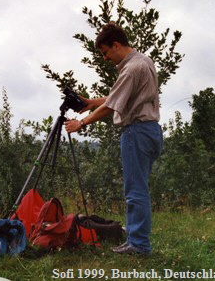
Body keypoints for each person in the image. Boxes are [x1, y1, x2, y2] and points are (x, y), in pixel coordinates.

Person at [65, 22, 164, 255]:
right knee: (138, 189)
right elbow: (116, 96)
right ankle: (135, 240)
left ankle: (138, 245)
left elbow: (112, 106)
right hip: (150, 131)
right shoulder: (143, 61)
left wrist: (82, 122)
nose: (105, 58)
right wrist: (90, 102)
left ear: (116, 45)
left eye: (105, 52)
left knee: (135, 191)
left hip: (137, 132)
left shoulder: (130, 69)